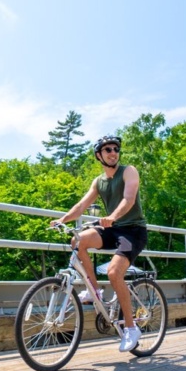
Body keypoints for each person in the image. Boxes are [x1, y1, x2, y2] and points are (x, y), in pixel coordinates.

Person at [52, 135, 148, 352]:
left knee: (114, 273)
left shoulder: (129, 171)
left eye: (116, 149)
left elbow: (129, 198)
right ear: (99, 155)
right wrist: (62, 219)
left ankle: (131, 329)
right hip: (112, 228)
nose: (113, 152)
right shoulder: (99, 181)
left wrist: (112, 216)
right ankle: (94, 290)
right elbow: (81, 205)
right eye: (108, 150)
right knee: (78, 240)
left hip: (133, 231)